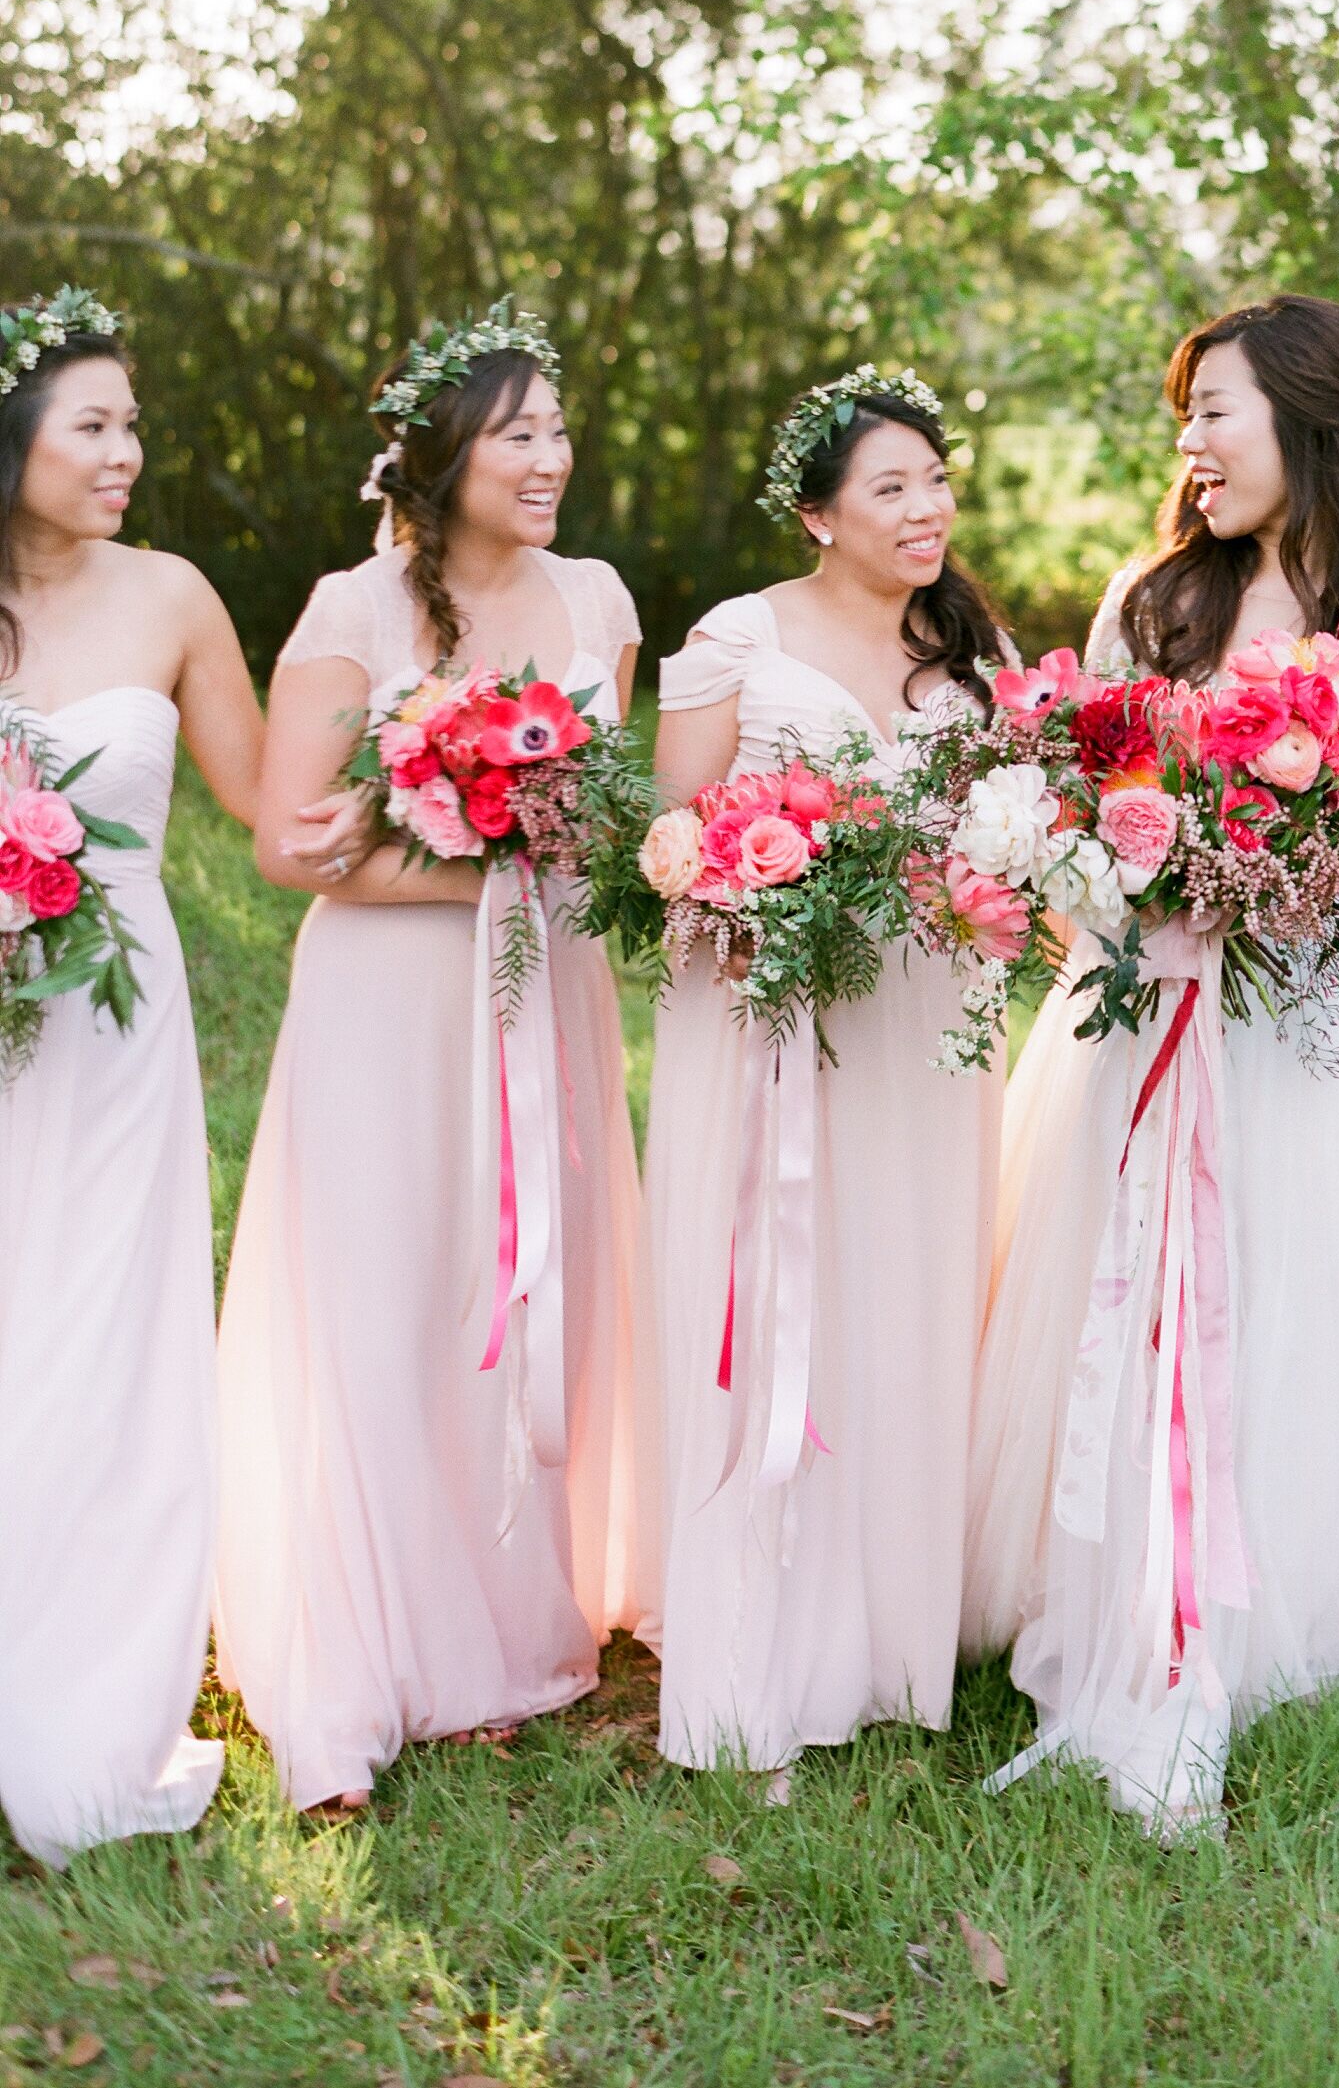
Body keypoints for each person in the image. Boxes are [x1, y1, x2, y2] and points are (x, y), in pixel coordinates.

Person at [963, 295, 1339, 1836]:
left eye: (1220, 411)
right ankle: (1137, 1614)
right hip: (1156, 1001)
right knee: (1134, 1314)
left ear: (1316, 424)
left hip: (1331, 1015)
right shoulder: (1157, 599)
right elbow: (1093, 798)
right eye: (1185, 414)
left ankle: (1251, 1624)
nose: (1191, 444)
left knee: (1294, 1320)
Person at [216, 302, 648, 1811]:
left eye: (556, 427)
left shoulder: (597, 600)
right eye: (518, 433)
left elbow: (603, 818)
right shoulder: (351, 610)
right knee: (392, 1285)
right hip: (394, 1000)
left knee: (523, 1276)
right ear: (444, 454)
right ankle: (373, 1625)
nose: (551, 456)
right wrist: (485, 863)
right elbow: (286, 841)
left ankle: (517, 1595)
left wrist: (546, 857)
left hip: (545, 996)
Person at [641, 371, 1008, 1784]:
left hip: (925, 1018)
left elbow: (1002, 834)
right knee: (781, 1293)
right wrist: (748, 892)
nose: (927, 509)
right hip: (771, 1018)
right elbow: (673, 840)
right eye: (891, 488)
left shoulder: (968, 648)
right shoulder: (740, 636)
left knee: (901, 1287)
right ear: (816, 511)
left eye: (936, 479)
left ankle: (884, 1643)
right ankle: (756, 1652)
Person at [0, 294, 275, 1865]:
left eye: (132, 424)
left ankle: (78, 1698)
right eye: (90, 423)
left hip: (109, 1030)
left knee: (96, 1328)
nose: (126, 452)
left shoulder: (170, 593)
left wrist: (474, 792)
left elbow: (274, 812)